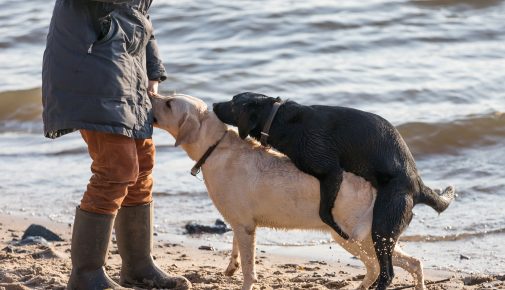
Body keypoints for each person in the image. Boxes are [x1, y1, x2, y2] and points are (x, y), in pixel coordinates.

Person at [42, 0, 191, 289]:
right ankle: (86, 276)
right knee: (116, 169)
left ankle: (139, 266)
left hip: (128, 65)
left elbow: (141, 16)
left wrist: (153, 69)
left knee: (142, 165)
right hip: (92, 63)